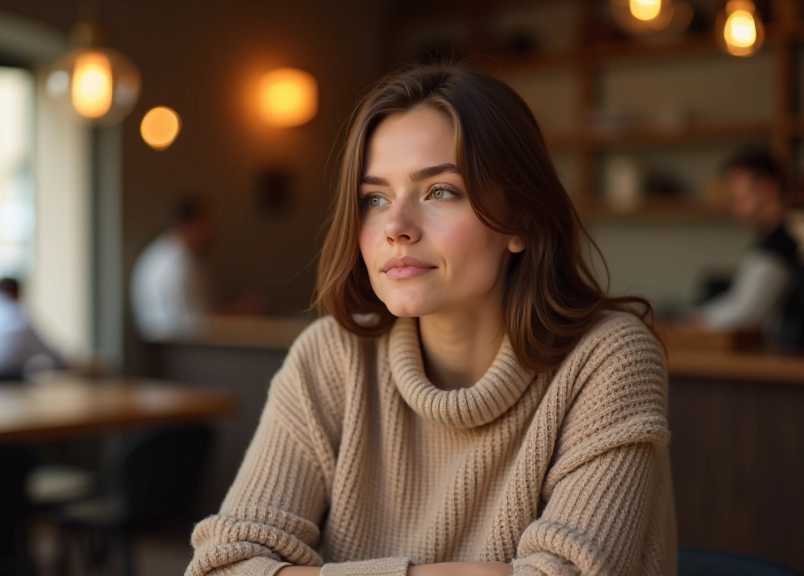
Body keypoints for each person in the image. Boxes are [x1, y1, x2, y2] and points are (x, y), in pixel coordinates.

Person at [186, 65, 674, 576]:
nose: (396, 227)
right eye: (374, 199)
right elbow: (223, 567)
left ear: (521, 219)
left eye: (440, 191)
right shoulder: (332, 353)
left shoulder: (609, 357)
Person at [691, 149, 800, 333]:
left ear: (769, 188)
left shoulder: (781, 245)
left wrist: (701, 319)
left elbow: (747, 312)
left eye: (741, 197)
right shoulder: (767, 241)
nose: (734, 206)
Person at [131, 198, 217, 341]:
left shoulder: (159, 252)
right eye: (206, 223)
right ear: (191, 223)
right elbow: (196, 324)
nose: (211, 231)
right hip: (178, 347)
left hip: (156, 345)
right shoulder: (182, 262)